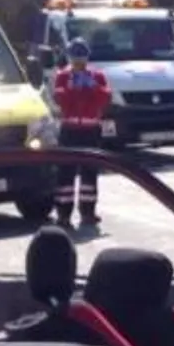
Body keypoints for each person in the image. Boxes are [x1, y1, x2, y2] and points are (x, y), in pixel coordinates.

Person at [51, 39, 113, 228]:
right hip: (70, 129)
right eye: (75, 58)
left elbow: (106, 97)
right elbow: (58, 98)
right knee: (65, 174)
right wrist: (72, 87)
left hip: (90, 129)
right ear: (70, 58)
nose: (79, 63)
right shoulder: (62, 76)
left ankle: (88, 212)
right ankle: (63, 214)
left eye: (82, 58)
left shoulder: (97, 75)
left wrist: (92, 86)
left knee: (90, 173)